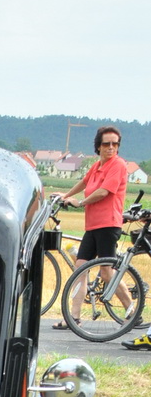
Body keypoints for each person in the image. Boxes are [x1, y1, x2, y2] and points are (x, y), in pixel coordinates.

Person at [55, 126, 131, 328]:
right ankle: (73, 318)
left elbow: (103, 192)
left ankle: (131, 310)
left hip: (108, 225)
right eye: (106, 143)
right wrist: (65, 195)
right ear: (98, 146)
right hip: (93, 225)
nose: (111, 147)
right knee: (80, 268)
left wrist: (79, 202)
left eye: (115, 144)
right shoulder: (97, 166)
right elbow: (84, 182)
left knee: (106, 273)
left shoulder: (118, 165)